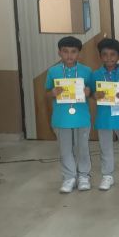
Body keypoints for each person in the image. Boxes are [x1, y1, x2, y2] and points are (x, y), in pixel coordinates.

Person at [45, 36, 92, 193]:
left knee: (82, 148)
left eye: (73, 52)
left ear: (79, 53)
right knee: (65, 149)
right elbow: (46, 93)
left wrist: (89, 92)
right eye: (65, 51)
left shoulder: (86, 71)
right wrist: (52, 92)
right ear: (59, 53)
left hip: (81, 117)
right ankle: (69, 177)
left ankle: (84, 176)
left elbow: (93, 92)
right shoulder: (53, 71)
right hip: (61, 118)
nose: (69, 55)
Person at [91, 38, 119, 190]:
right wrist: (94, 95)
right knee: (105, 147)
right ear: (100, 56)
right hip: (104, 118)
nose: (109, 58)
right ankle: (107, 176)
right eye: (105, 54)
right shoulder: (95, 75)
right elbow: (91, 93)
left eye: (113, 54)